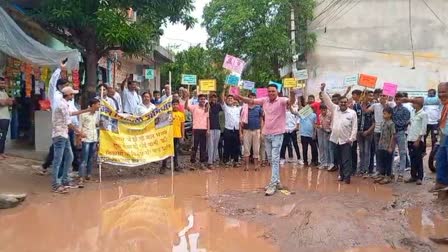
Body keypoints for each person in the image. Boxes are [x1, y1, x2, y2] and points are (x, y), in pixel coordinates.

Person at [235, 84, 295, 196]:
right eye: (269, 91)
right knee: (272, 160)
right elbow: (251, 101)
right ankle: (277, 182)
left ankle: (272, 184)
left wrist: (292, 93)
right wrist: (241, 97)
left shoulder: (282, 100)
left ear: (277, 92)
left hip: (278, 134)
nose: (271, 93)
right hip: (266, 134)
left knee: (275, 158)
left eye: (273, 91)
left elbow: (290, 102)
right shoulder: (264, 100)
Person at [51, 87, 90, 193]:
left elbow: (72, 114)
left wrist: (86, 110)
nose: (73, 96)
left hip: (63, 134)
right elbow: (69, 122)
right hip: (60, 134)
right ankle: (56, 184)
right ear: (68, 95)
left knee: (69, 157)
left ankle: (64, 180)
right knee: (58, 160)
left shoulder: (63, 104)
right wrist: (80, 132)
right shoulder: (62, 105)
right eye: (72, 94)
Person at [321, 83, 358, 184]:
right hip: (335, 139)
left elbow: (354, 127)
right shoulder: (335, 109)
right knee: (339, 159)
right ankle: (341, 175)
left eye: (345, 102)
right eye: (341, 102)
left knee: (346, 160)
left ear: (348, 103)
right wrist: (323, 90)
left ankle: (347, 177)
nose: (342, 104)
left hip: (346, 140)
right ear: (339, 103)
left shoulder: (352, 113)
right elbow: (327, 100)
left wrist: (352, 138)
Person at [364, 93, 395, 179]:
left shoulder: (390, 105)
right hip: (377, 132)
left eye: (384, 95)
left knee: (388, 154)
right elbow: (366, 111)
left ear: (387, 97)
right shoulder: (375, 105)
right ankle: (380, 171)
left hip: (387, 133)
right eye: (381, 95)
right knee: (379, 153)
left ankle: (388, 173)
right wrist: (364, 101)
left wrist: (386, 104)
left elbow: (393, 134)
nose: (382, 97)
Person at [404, 98, 427, 185]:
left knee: (418, 159)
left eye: (413, 102)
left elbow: (423, 128)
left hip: (417, 140)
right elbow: (411, 122)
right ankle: (413, 176)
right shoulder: (413, 112)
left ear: (418, 104)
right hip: (410, 137)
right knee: (412, 158)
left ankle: (419, 177)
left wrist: (418, 139)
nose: (412, 104)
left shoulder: (423, 114)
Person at [430, 82, 448, 192]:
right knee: (440, 158)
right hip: (444, 135)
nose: (441, 94)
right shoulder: (442, 103)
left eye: (444, 92)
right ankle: (441, 182)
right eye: (439, 92)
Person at [78, 98, 101, 185]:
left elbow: (96, 124)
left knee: (91, 158)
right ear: (93, 105)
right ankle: (81, 176)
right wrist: (79, 138)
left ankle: (88, 175)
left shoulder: (97, 114)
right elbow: (80, 126)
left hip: (94, 138)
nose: (99, 106)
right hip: (86, 138)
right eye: (98, 104)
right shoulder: (83, 114)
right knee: (84, 158)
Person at [185, 92, 209, 169]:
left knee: (203, 147)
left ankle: (202, 163)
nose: (202, 100)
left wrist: (208, 130)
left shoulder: (207, 108)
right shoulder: (194, 107)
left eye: (204, 99)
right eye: (201, 99)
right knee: (194, 147)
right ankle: (192, 163)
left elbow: (208, 120)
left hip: (204, 129)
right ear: (198, 100)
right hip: (196, 129)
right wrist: (187, 98)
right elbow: (186, 107)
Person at [240, 92, 264, 170]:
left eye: (253, 97)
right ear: (247, 99)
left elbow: (261, 120)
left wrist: (261, 131)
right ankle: (246, 166)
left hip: (257, 130)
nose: (252, 99)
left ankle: (256, 166)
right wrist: (240, 133)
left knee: (256, 149)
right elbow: (240, 121)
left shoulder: (259, 108)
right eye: (250, 97)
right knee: (246, 149)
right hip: (246, 130)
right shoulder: (243, 108)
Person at [161, 99, 185, 173]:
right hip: (168, 135)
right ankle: (163, 166)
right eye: (173, 104)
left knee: (175, 151)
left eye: (176, 104)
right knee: (166, 150)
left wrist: (182, 135)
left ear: (178, 105)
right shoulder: (168, 113)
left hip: (177, 135)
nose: (175, 106)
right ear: (171, 105)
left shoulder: (181, 114)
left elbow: (182, 126)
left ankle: (176, 166)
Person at [221, 86, 242, 167]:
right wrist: (224, 88)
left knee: (236, 146)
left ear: (234, 100)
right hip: (228, 129)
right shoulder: (225, 108)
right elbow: (222, 98)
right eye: (228, 99)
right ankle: (226, 161)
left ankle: (235, 161)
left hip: (236, 130)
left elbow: (246, 104)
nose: (230, 99)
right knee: (227, 146)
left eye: (231, 99)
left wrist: (238, 94)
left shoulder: (239, 108)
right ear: (227, 100)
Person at [392, 92, 411, 182]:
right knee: (391, 152)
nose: (398, 101)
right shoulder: (393, 109)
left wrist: (395, 123)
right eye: (396, 99)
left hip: (400, 132)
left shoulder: (405, 110)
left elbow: (404, 122)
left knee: (402, 153)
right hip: (392, 133)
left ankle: (401, 173)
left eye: (399, 99)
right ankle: (391, 172)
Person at [374, 106, 396, 184]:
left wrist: (390, 146)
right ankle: (382, 175)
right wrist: (379, 143)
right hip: (382, 145)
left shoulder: (391, 123)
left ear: (390, 114)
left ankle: (388, 176)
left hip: (387, 146)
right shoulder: (383, 122)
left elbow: (393, 135)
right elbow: (381, 134)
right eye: (383, 113)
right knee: (382, 161)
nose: (384, 115)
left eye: (385, 114)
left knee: (388, 162)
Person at [357, 91, 375, 177]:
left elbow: (375, 122)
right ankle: (361, 169)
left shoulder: (373, 106)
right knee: (361, 151)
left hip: (368, 132)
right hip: (359, 131)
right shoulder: (357, 105)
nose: (371, 97)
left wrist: (368, 131)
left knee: (367, 151)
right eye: (369, 95)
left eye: (372, 95)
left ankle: (366, 170)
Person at [423, 89, 441, 155]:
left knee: (434, 139)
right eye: (429, 93)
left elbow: (440, 112)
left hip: (435, 124)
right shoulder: (425, 102)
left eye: (431, 93)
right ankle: (423, 151)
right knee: (424, 137)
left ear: (434, 94)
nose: (429, 94)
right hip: (426, 123)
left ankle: (434, 153)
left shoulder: (438, 102)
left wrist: (439, 122)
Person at [207, 94, 222, 169]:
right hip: (210, 128)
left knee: (215, 145)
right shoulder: (207, 105)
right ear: (209, 98)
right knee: (210, 145)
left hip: (218, 128)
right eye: (212, 97)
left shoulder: (219, 105)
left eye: (215, 97)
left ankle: (213, 160)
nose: (213, 99)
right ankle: (210, 162)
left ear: (217, 98)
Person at [0, 76, 13, 160]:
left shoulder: (5, 92)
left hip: (6, 116)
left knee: (3, 136)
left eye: (3, 83)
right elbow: (2, 103)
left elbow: (11, 102)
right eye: (1, 83)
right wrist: (7, 101)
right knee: (0, 136)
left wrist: (7, 101)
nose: (3, 84)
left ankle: (2, 152)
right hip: (1, 117)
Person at [318, 104, 334, 170]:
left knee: (330, 148)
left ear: (326, 110)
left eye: (324, 110)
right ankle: (324, 163)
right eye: (322, 110)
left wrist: (330, 130)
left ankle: (331, 163)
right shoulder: (320, 116)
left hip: (330, 133)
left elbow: (332, 123)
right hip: (323, 132)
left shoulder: (330, 115)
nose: (323, 112)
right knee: (324, 147)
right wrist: (320, 126)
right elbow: (320, 124)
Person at [351, 89, 362, 174]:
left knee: (363, 150)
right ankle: (353, 168)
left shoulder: (363, 105)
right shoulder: (354, 105)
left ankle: (362, 167)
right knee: (353, 149)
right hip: (354, 130)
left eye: (354, 95)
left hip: (362, 130)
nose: (352, 96)